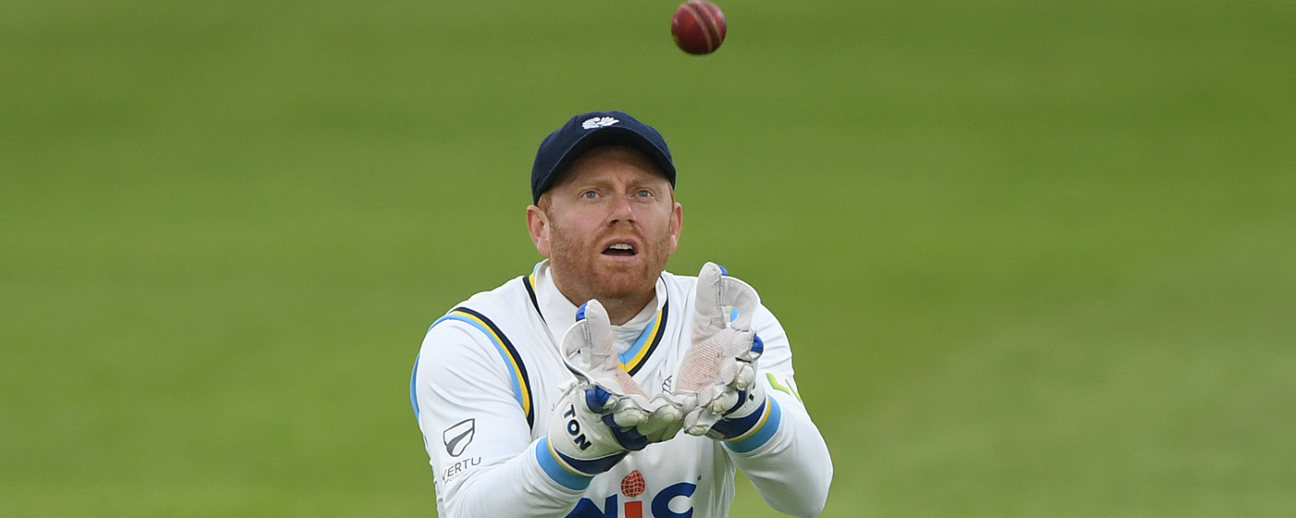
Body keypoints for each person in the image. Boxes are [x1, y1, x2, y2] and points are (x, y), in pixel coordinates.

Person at [410, 110, 832, 518]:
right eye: (592, 194)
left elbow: (807, 494)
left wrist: (746, 407)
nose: (623, 212)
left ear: (674, 226)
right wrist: (574, 447)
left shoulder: (725, 323)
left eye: (643, 193)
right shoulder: (477, 341)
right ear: (541, 228)